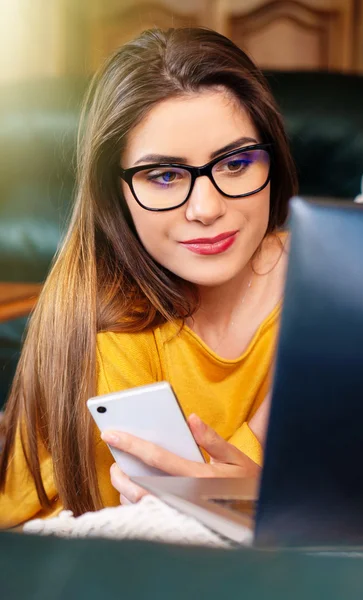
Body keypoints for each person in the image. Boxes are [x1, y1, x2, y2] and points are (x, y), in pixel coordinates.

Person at [0, 27, 297, 528]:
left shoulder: (339, 281)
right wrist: (267, 444)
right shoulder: (103, 322)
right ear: (115, 191)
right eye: (164, 175)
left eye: (237, 162)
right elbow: (158, 536)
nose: (206, 209)